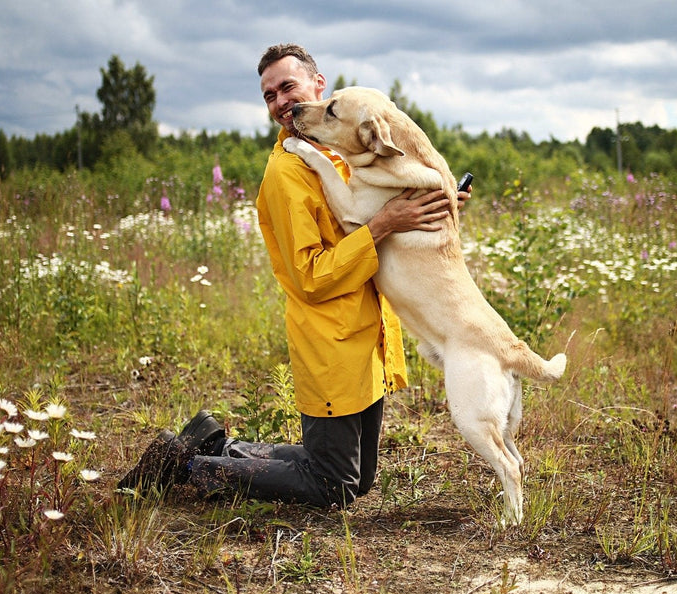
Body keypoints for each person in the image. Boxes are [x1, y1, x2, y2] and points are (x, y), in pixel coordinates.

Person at [118, 43, 457, 509]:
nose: (281, 101)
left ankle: (214, 444)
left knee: (355, 480)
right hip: (331, 341)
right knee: (333, 485)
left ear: (319, 85)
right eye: (269, 95)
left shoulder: (344, 150)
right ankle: (188, 467)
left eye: (288, 86)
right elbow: (310, 276)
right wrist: (384, 224)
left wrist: (435, 205)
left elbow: (385, 214)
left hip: (369, 335)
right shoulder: (287, 174)